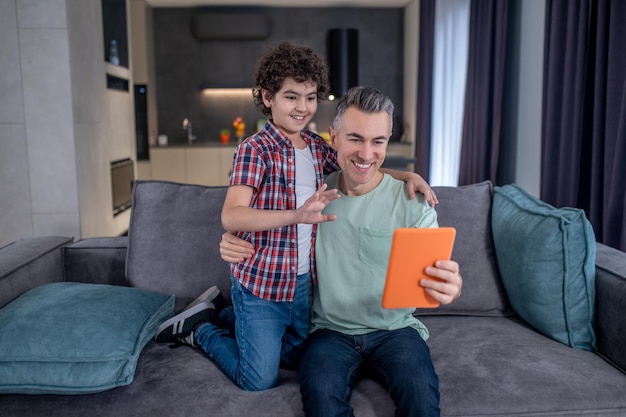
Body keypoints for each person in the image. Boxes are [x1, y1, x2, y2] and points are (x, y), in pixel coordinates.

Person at [155, 41, 436, 392]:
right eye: (291, 97)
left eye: (310, 96)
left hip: (302, 287)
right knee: (258, 379)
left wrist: (405, 175)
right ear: (267, 97)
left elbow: (360, 166)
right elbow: (232, 215)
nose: (302, 107)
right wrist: (295, 215)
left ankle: (224, 314)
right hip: (262, 283)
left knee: (304, 357)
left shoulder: (318, 147)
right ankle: (201, 329)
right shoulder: (254, 150)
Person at [220, 86, 462, 416]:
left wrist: (451, 285)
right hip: (328, 333)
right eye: (355, 139)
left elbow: (437, 272)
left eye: (378, 141)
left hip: (395, 331)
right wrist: (231, 237)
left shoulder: (413, 205)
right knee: (322, 404)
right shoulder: (315, 194)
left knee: (422, 402)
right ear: (332, 136)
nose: (367, 152)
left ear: (389, 140)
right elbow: (265, 220)